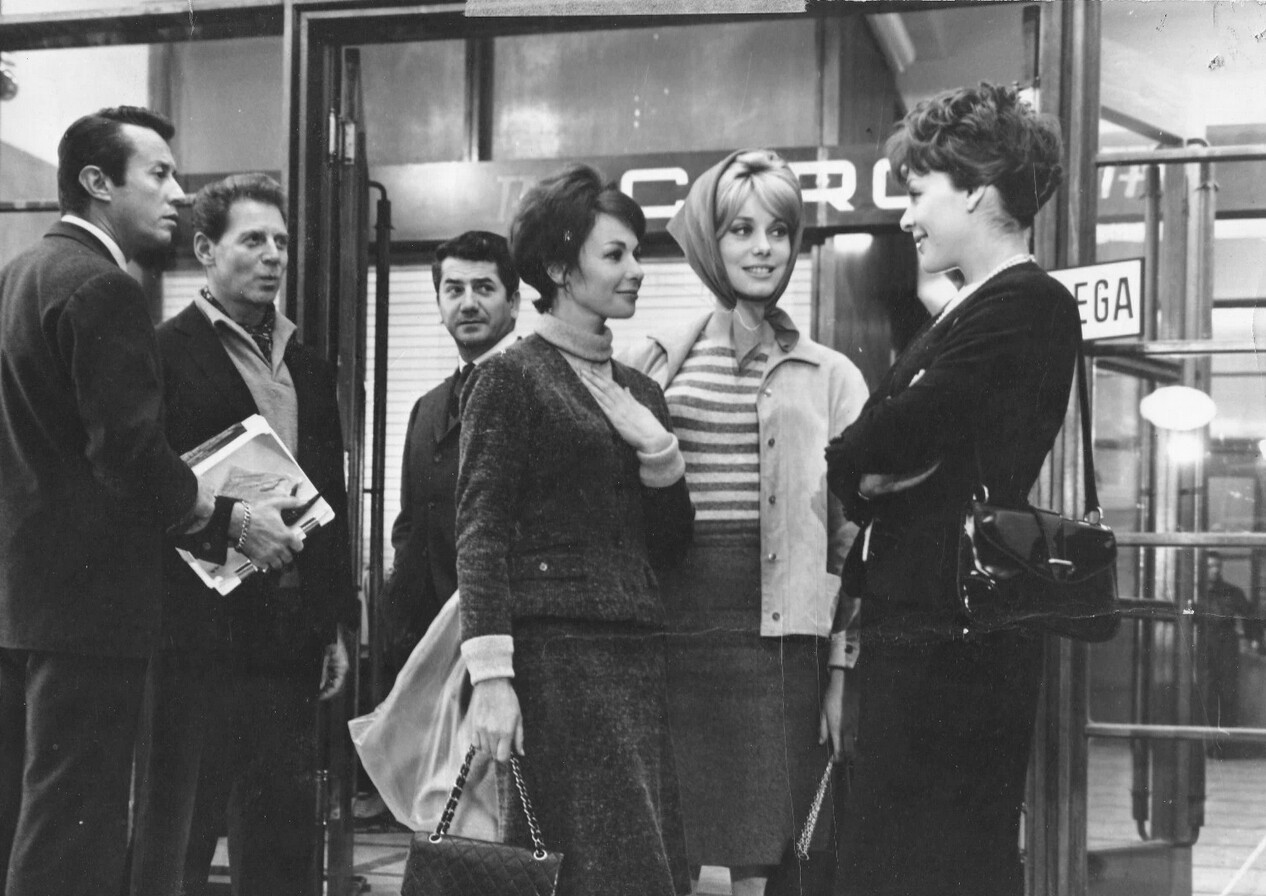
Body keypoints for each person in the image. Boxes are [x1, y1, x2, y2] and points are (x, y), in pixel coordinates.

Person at [0, 109, 301, 895]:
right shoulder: (104, 287)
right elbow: (129, 455)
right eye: (160, 174)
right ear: (98, 183)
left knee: (32, 820)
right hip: (92, 612)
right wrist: (234, 521)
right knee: (77, 831)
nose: (179, 194)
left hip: (24, 606)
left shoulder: (20, 274)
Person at [824, 82, 1075, 895]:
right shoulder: (976, 308)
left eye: (917, 191)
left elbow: (878, 438)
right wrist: (868, 459)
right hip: (933, 625)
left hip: (955, 636)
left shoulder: (1027, 304)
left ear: (974, 187)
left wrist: (864, 463)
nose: (906, 217)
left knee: (935, 859)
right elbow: (875, 446)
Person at [621, 149, 868, 896]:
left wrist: (841, 670)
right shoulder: (653, 362)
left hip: (783, 649)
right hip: (673, 639)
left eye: (779, 231)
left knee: (774, 858)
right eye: (741, 230)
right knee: (666, 849)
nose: (763, 248)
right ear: (709, 240)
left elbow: (855, 540)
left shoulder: (833, 376)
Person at [458, 164, 694, 896]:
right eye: (614, 254)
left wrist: (660, 454)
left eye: (636, 253)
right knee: (576, 865)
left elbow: (669, 544)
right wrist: (491, 680)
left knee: (641, 864)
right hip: (554, 662)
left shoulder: (641, 391)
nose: (636, 270)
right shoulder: (511, 376)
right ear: (560, 269)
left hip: (635, 655)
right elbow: (480, 533)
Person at [127, 174, 360, 896]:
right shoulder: (160, 353)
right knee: (180, 830)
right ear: (205, 249)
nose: (273, 256)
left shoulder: (308, 365)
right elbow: (141, 488)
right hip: (194, 630)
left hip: (288, 629)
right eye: (253, 240)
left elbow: (331, 499)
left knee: (282, 835)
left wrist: (333, 622)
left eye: (281, 241)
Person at [383, 230, 520, 676]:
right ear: (439, 304)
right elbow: (410, 525)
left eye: (484, 288)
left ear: (514, 302)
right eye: (454, 290)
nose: (468, 303)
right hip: (428, 645)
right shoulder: (427, 407)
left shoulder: (537, 386)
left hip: (510, 642)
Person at [1204, 551, 1259, 738]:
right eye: (1210, 566)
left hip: (1226, 645)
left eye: (1217, 566)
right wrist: (1190, 612)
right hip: (1203, 643)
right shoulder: (1196, 594)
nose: (1215, 570)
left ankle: (1227, 739)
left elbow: (1249, 614)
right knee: (1206, 690)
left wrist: (1253, 639)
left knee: (1228, 691)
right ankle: (1208, 737)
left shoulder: (1232, 592)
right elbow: (1187, 612)